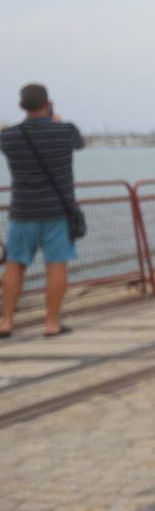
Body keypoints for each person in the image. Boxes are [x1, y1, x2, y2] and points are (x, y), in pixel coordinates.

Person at [0, 84, 84, 338]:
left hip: (22, 212)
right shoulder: (65, 131)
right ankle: (52, 323)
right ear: (47, 103)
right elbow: (80, 143)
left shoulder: (10, 136)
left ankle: (6, 322)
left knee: (15, 265)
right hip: (57, 213)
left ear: (21, 106)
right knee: (56, 266)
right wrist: (55, 121)